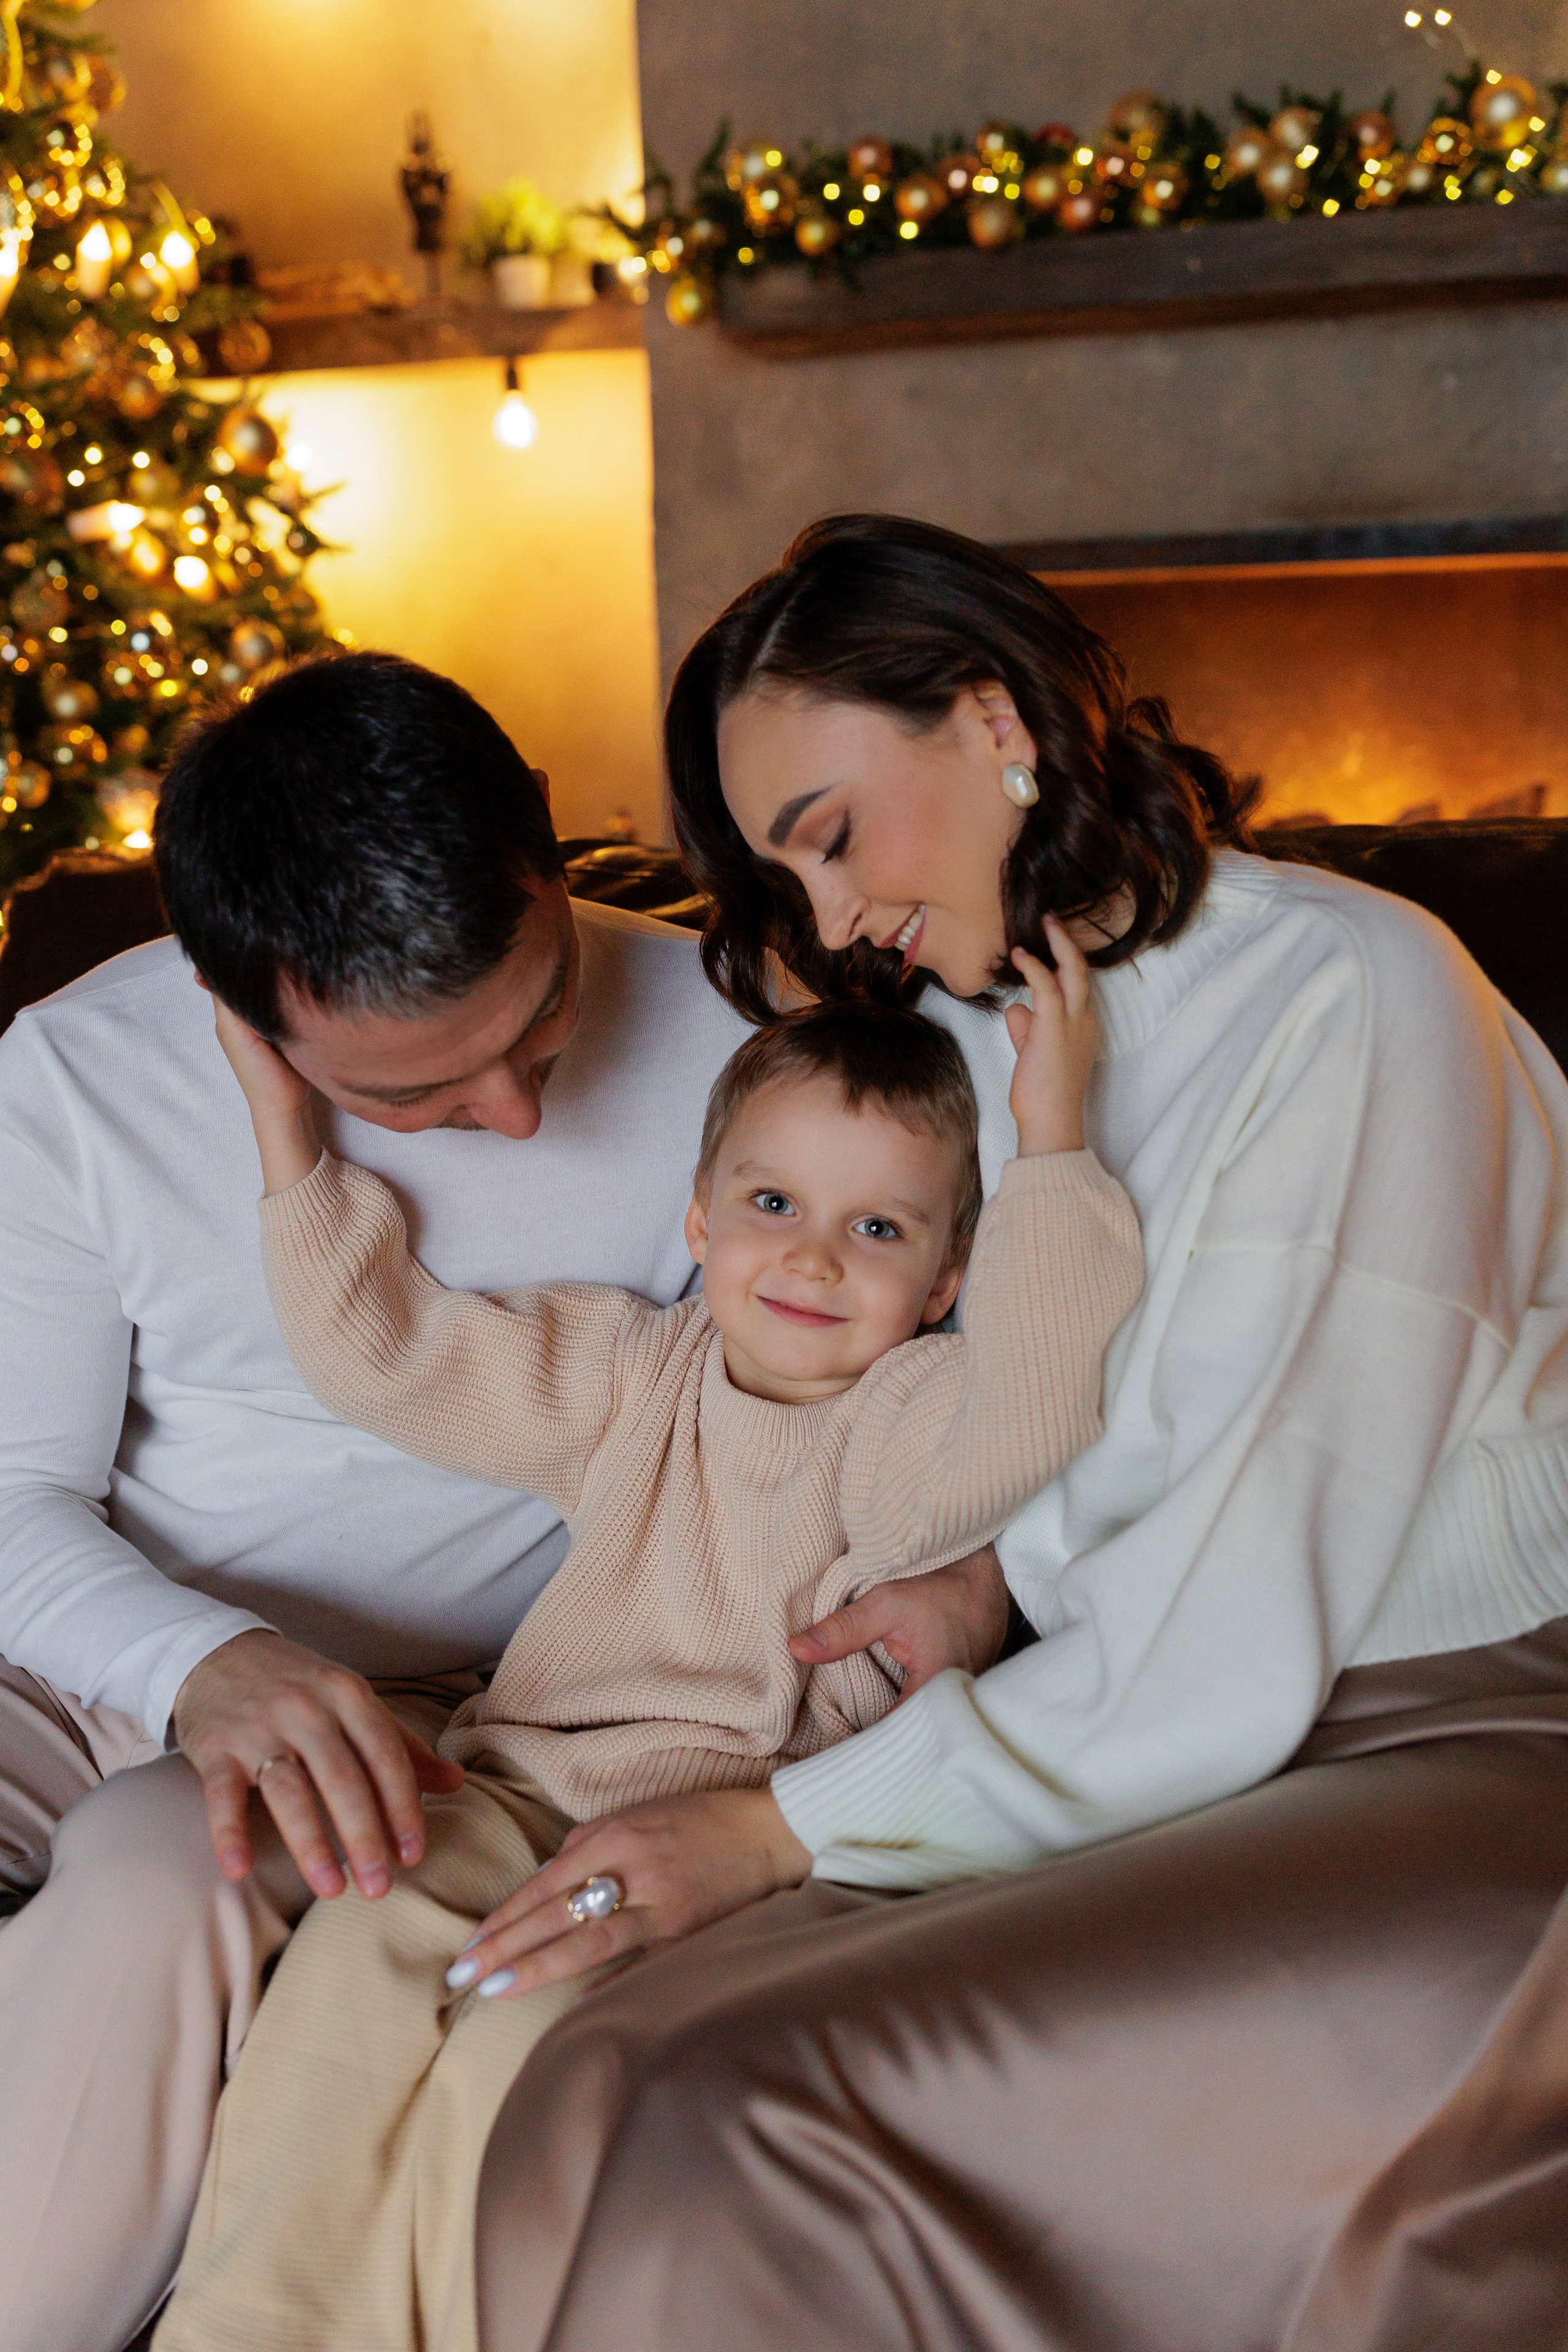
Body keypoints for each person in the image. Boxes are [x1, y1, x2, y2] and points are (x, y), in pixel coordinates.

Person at [460, 514, 1568, 2352]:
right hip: (1139, 1726)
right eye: (777, 875)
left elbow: (1250, 1577)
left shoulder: (1355, 992)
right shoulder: (970, 1050)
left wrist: (775, 1826)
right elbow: (1072, 1434)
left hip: (1449, 1732)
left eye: (827, 835)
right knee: (580, 2071)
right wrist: (984, 1572)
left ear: (994, 723)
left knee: (722, 2119)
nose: (826, 921)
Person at [0, 647, 1000, 2352]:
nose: (519, 1113)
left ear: (548, 843)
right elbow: (17, 1497)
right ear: (247, 1007)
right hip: (89, 1648)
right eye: (415, 1094)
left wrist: (976, 1573)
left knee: (169, 1873)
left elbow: (908, 1393)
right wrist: (207, 1663)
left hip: (442, 1734)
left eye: (540, 1017)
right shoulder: (73, 1082)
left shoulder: (753, 1054)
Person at [154, 935, 1139, 2352]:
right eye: (771, 1202)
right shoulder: (632, 1370)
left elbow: (1033, 1404)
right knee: (353, 1962)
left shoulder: (909, 1417)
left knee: (511, 2053)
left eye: (877, 1231)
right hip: (521, 1787)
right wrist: (286, 1125)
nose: (808, 1256)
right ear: (696, 1221)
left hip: (730, 1837)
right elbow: (390, 1357)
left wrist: (1049, 1143)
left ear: (940, 1282)